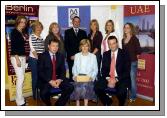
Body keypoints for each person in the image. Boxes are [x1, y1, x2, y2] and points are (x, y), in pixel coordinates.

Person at [94, 36, 131, 106]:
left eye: (113, 43)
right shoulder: (105, 54)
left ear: (117, 43)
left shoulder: (124, 53)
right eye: (110, 44)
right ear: (108, 45)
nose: (112, 45)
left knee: (121, 92)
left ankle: (121, 104)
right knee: (97, 87)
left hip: (120, 78)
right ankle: (108, 101)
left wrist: (116, 79)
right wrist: (108, 79)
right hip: (109, 77)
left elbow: (127, 71)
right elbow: (103, 70)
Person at [38, 38, 74, 106]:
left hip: (58, 79)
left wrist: (60, 79)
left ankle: (58, 105)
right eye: (53, 46)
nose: (55, 48)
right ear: (48, 46)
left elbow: (63, 70)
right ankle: (49, 105)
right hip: (47, 80)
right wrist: (50, 81)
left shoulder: (60, 56)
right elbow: (40, 72)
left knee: (70, 87)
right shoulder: (42, 56)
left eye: (57, 46)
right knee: (43, 93)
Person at [71, 39, 98, 106]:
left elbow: (95, 69)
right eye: (83, 46)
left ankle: (86, 105)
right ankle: (78, 104)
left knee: (86, 85)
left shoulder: (93, 56)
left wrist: (92, 77)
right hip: (79, 77)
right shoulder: (77, 55)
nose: (85, 48)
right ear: (80, 47)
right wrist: (75, 76)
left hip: (88, 77)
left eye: (86, 46)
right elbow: (74, 68)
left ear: (89, 47)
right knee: (77, 86)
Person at [10, 16, 28, 106]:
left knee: (22, 78)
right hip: (16, 57)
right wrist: (17, 59)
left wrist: (24, 58)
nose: (23, 24)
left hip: (22, 57)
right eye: (21, 22)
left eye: (24, 22)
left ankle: (20, 98)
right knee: (20, 78)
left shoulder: (22, 32)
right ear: (17, 22)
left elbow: (21, 46)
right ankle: (20, 102)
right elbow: (13, 47)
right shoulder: (14, 32)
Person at [122, 22, 142, 102]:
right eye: (125, 27)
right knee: (128, 80)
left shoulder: (134, 38)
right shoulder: (123, 40)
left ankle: (133, 96)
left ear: (131, 29)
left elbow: (139, 51)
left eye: (128, 27)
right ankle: (129, 94)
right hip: (125, 63)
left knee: (133, 81)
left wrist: (134, 59)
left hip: (132, 63)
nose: (126, 29)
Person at [64, 16, 87, 82]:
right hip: (71, 57)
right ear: (72, 22)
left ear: (79, 23)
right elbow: (66, 45)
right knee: (72, 74)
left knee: (81, 73)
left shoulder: (83, 32)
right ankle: (72, 89)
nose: (76, 23)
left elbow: (85, 45)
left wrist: (80, 55)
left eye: (78, 21)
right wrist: (71, 55)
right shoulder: (67, 32)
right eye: (75, 21)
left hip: (81, 57)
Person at [28, 21, 45, 100]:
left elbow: (43, 49)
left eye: (40, 27)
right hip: (34, 59)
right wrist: (38, 58)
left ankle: (40, 94)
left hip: (40, 59)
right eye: (37, 27)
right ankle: (35, 95)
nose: (39, 28)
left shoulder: (42, 38)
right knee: (35, 77)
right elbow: (32, 49)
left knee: (41, 77)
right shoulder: (31, 36)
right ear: (34, 28)